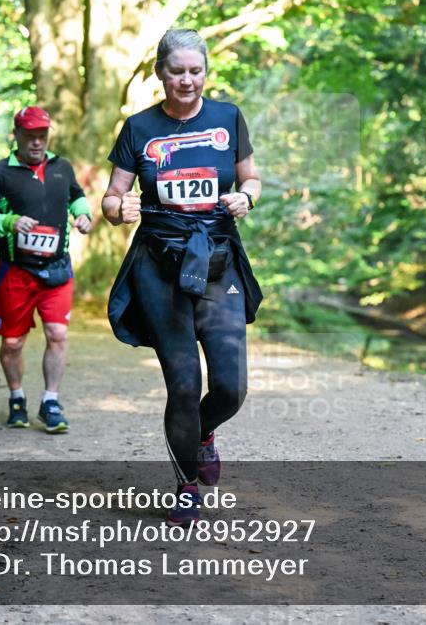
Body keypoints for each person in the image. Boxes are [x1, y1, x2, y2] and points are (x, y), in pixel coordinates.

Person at [103, 29, 263, 525]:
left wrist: (247, 197)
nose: (187, 80)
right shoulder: (138, 128)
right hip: (159, 267)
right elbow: (111, 197)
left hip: (217, 262)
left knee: (231, 388)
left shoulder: (228, 117)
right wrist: (119, 208)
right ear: (161, 73)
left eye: (196, 71)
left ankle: (203, 434)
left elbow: (251, 177)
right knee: (183, 385)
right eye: (177, 71)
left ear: (206, 73)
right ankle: (187, 485)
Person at [0, 106, 93, 433]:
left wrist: (84, 215)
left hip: (57, 270)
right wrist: (8, 222)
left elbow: (77, 197)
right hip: (16, 271)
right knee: (13, 342)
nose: (37, 142)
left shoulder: (61, 167)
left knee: (58, 334)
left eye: (42, 136)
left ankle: (50, 402)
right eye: (30, 136)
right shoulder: (1, 173)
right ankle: (17, 398)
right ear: (16, 135)